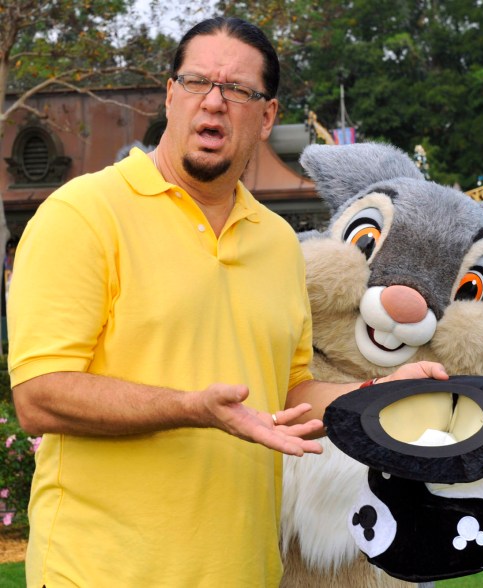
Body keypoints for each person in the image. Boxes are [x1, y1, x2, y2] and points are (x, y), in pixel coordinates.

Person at [7, 16, 448, 588]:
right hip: (100, 571)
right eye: (196, 83)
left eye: (238, 90)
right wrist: (192, 408)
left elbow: (289, 395)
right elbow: (41, 396)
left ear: (266, 117)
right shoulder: (82, 216)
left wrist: (373, 396)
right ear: (170, 96)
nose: (213, 103)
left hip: (245, 572)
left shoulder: (277, 244)